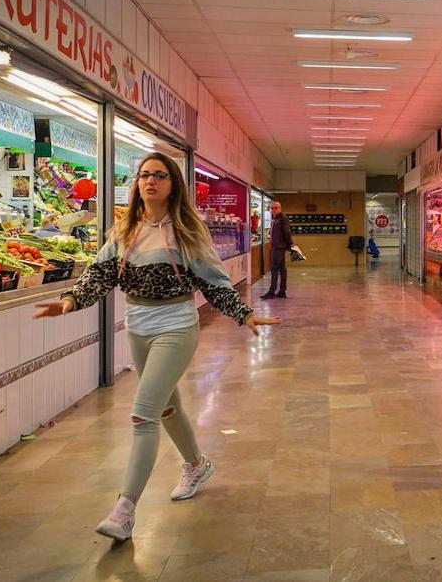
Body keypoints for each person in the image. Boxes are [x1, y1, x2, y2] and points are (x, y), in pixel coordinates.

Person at [34, 153, 279, 542]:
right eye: (145, 175)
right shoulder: (124, 230)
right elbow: (99, 274)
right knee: (166, 406)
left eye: (160, 175)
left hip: (176, 326)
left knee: (143, 414)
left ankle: (125, 509)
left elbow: (214, 281)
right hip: (138, 327)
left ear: (173, 184)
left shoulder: (188, 232)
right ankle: (196, 464)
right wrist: (70, 301)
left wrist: (244, 314)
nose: (150, 181)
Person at [262, 200, 293, 299]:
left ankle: (272, 292)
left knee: (274, 268)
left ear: (280, 208)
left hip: (279, 247)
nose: (273, 210)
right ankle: (282, 291)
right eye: (272, 208)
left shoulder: (283, 219)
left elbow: (287, 233)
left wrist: (289, 245)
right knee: (282, 269)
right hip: (277, 247)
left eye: (276, 208)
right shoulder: (275, 219)